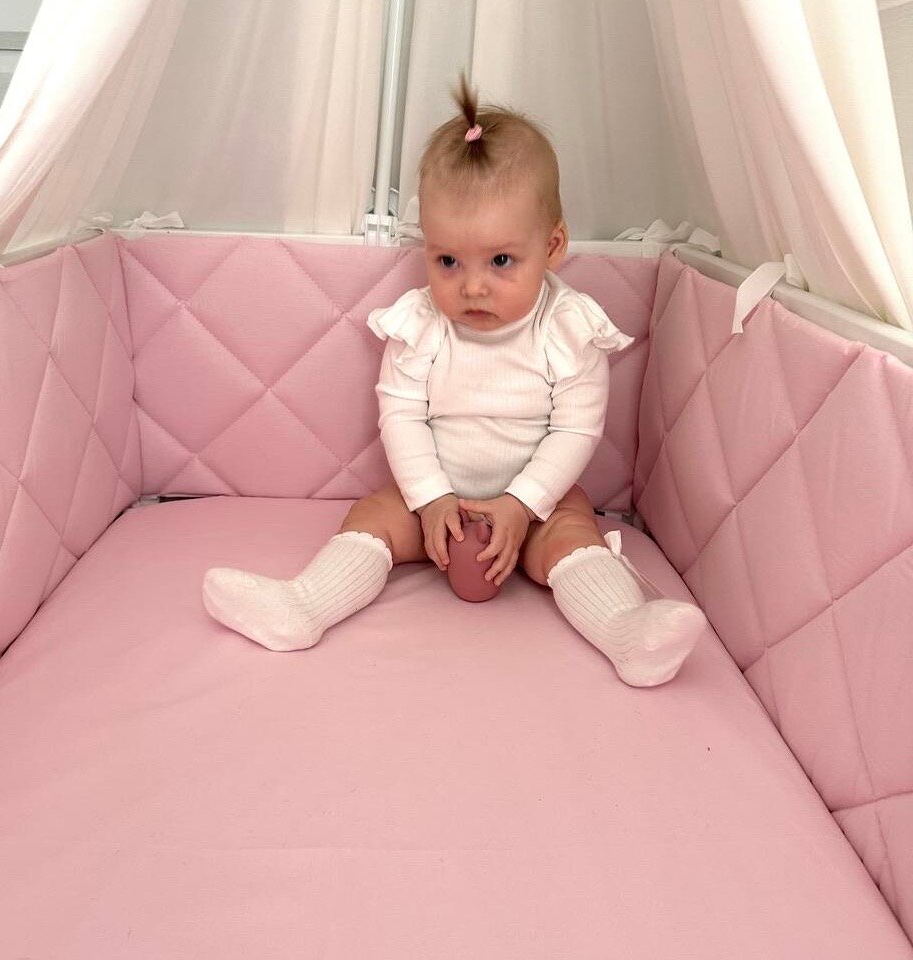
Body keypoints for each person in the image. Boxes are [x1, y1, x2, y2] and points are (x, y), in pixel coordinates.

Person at [202, 75, 705, 687]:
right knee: (372, 513)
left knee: (575, 533)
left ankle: (624, 629)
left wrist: (523, 504)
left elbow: (576, 429)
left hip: (535, 504)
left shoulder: (568, 328)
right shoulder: (421, 326)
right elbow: (402, 416)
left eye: (501, 261)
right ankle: (304, 606)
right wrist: (431, 498)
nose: (472, 286)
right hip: (434, 502)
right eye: (447, 260)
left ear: (552, 246)